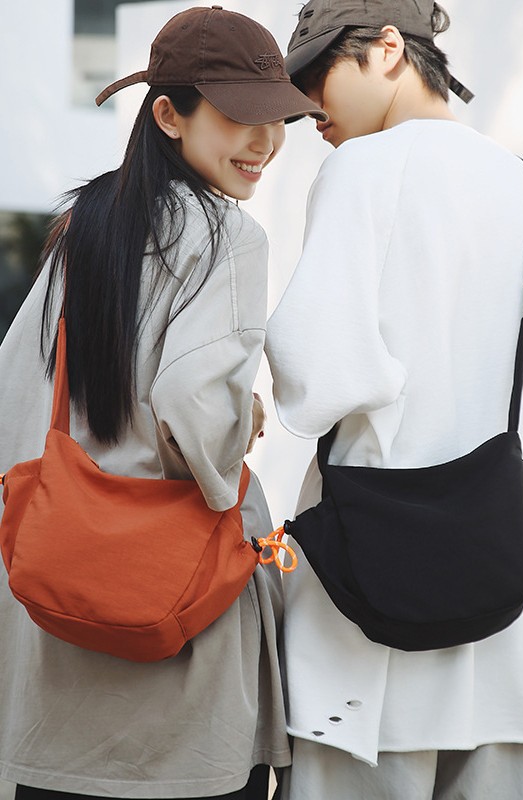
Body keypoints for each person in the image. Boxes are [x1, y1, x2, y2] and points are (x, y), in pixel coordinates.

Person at [266, 1, 523, 798]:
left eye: (318, 74)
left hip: (375, 616)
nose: (307, 106)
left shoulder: (360, 169)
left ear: (388, 50)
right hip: (511, 612)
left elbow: (315, 377)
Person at [0, 6, 325, 799]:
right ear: (169, 116)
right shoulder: (227, 236)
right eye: (240, 116)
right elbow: (193, 405)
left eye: (278, 118)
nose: (265, 141)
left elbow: (16, 394)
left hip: (59, 635)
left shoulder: (84, 227)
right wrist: (240, 424)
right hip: (180, 641)